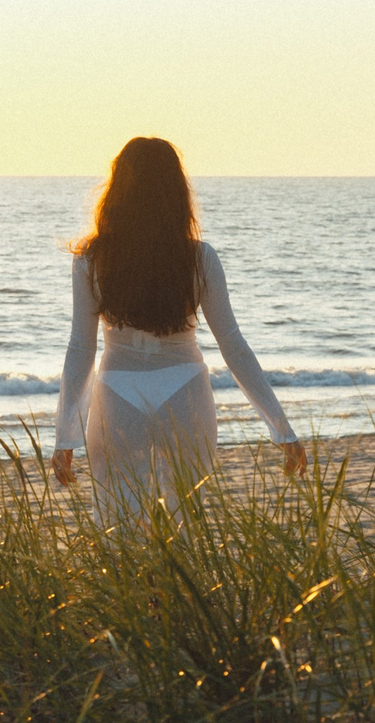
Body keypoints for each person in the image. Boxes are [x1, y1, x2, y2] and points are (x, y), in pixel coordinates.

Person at [50, 136, 306, 513]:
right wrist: (281, 429)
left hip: (118, 394)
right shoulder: (199, 258)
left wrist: (65, 436)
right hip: (185, 393)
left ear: (117, 189)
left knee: (118, 529)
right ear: (177, 192)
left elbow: (81, 349)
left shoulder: (93, 258)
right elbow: (233, 347)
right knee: (187, 526)